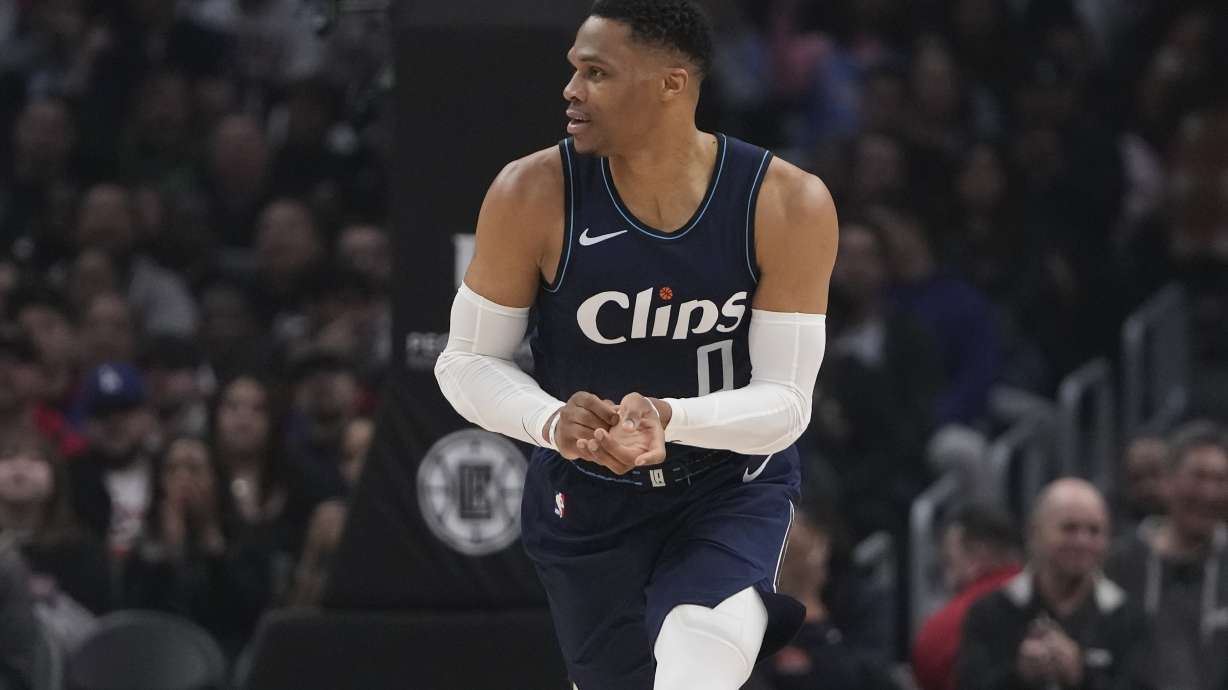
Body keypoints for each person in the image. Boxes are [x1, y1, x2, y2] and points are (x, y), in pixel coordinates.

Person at [433, 2, 836, 688]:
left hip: (725, 484)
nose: (571, 90)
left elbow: (788, 403)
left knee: (697, 654)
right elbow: (465, 362)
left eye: (596, 73)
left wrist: (672, 418)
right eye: (573, 71)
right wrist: (553, 421)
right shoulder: (530, 192)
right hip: (589, 497)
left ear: (672, 85)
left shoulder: (785, 202)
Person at [955, 479, 1151, 690]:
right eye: (1069, 528)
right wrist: (1019, 675)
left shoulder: (1129, 618)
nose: (1083, 541)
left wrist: (1081, 675)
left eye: (1095, 531)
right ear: (1035, 533)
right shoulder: (989, 613)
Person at [1106, 421, 1228, 690]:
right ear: (1167, 481)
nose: (1209, 493)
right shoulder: (1121, 564)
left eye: (1220, 480)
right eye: (1198, 476)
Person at [913, 504, 1022, 690]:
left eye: (948, 560)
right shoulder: (1048, 595)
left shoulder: (949, 622)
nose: (946, 575)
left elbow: (927, 658)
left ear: (978, 553)